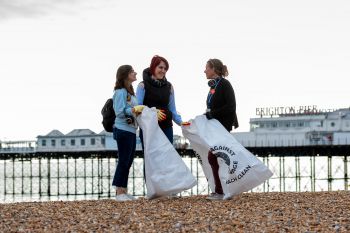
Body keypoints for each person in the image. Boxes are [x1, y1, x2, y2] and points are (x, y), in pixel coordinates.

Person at [204, 58, 239, 200]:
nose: (204, 70)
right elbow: (213, 107)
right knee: (215, 158)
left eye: (206, 67)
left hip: (222, 128)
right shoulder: (214, 86)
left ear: (214, 69)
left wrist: (213, 114)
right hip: (216, 128)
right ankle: (222, 189)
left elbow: (231, 106)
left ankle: (221, 191)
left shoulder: (224, 84)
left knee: (213, 157)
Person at [136, 55, 188, 146]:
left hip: (167, 127)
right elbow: (137, 108)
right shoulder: (142, 86)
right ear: (153, 67)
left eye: (165, 68)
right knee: (151, 159)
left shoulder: (169, 87)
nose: (163, 71)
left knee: (167, 158)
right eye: (160, 67)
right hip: (149, 129)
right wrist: (152, 112)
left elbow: (172, 109)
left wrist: (181, 122)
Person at [112, 64, 144, 202]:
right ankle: (119, 192)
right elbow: (119, 111)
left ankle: (123, 190)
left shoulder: (130, 92)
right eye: (132, 72)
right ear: (125, 75)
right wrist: (133, 110)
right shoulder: (120, 92)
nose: (135, 73)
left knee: (128, 161)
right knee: (124, 161)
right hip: (123, 130)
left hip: (131, 130)